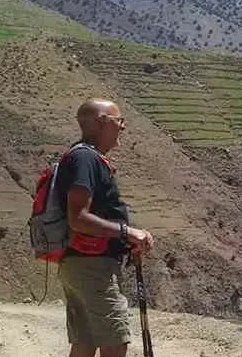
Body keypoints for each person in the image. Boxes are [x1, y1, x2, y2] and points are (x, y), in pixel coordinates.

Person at [57, 99, 155, 357]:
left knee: (85, 342)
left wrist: (124, 239)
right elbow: (78, 218)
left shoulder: (82, 156)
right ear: (102, 122)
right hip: (92, 268)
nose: (123, 127)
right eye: (119, 121)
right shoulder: (85, 159)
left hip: (81, 264)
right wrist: (127, 233)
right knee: (114, 342)